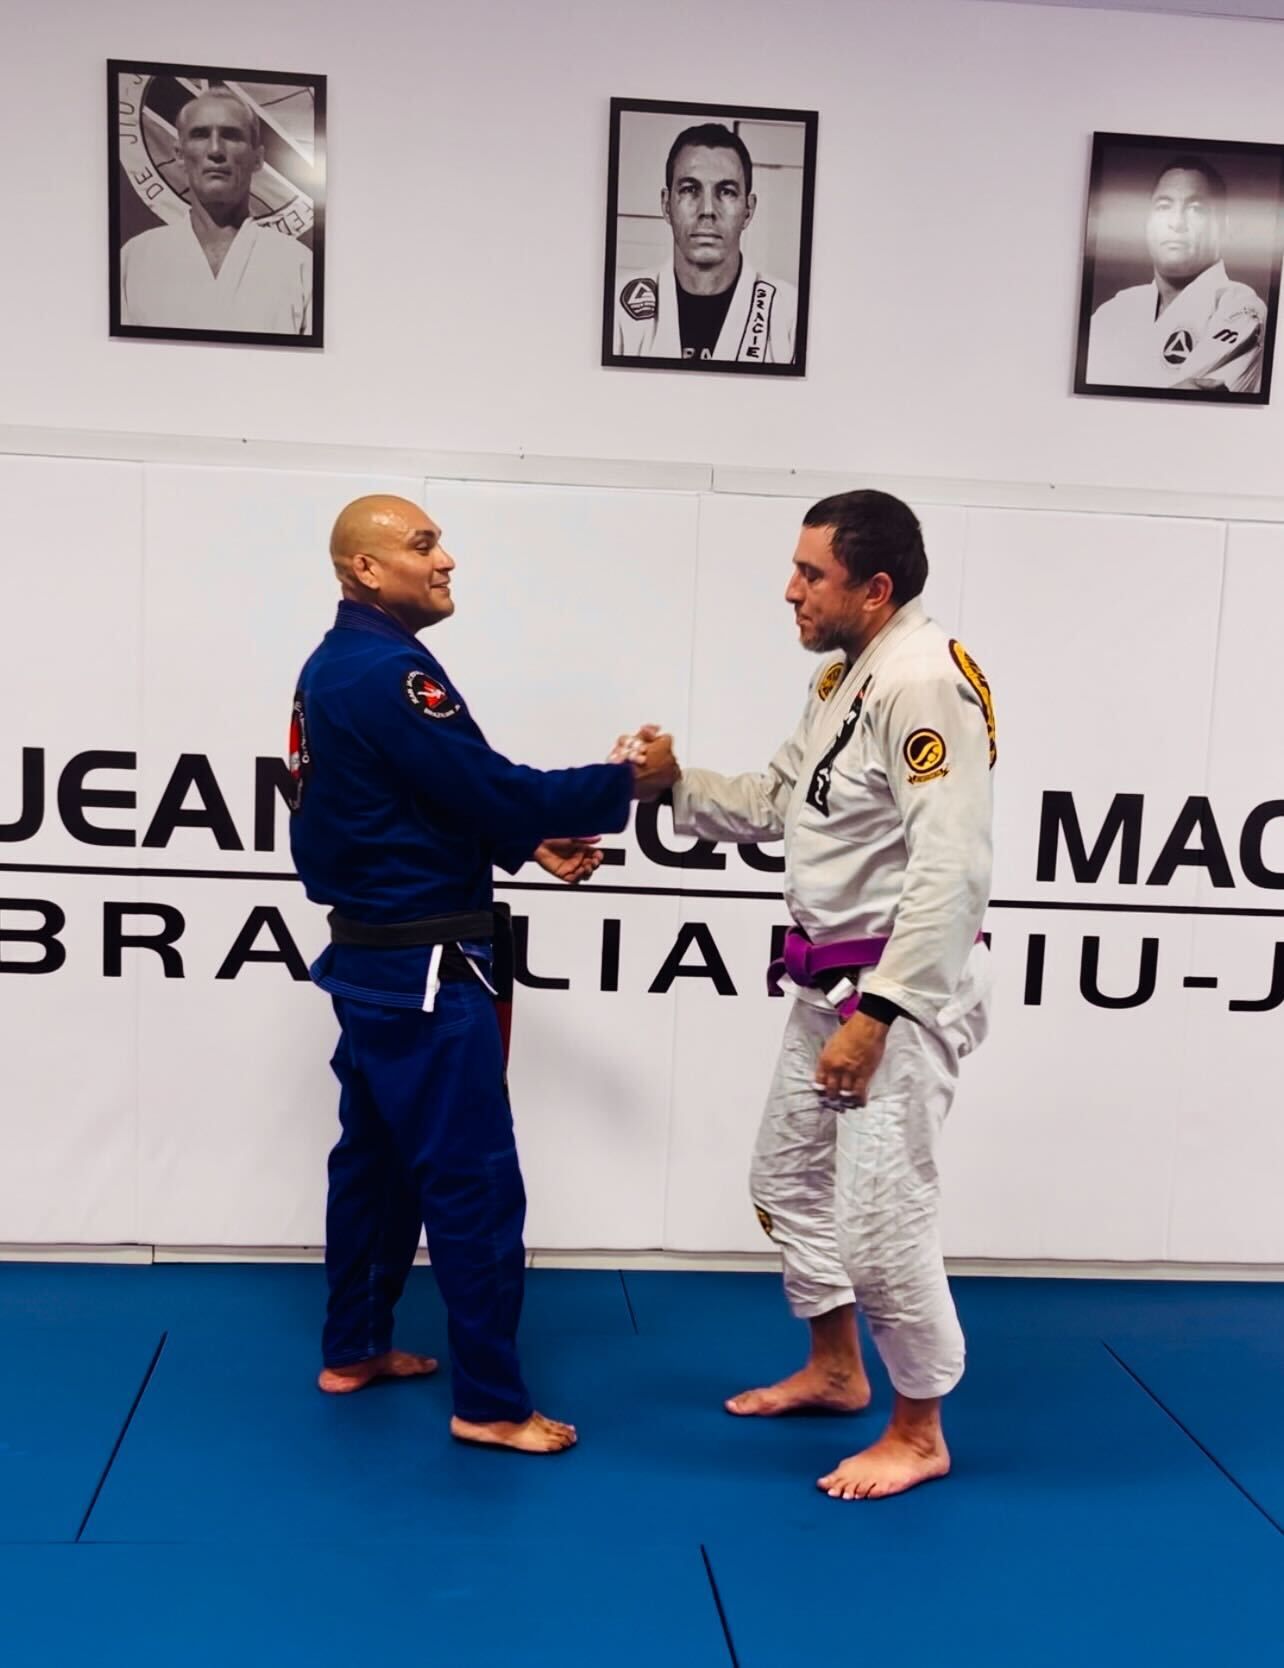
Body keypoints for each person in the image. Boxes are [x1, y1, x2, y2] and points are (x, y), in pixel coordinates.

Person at [623, 490, 995, 1499]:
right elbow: (778, 804)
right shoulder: (845, 677)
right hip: (826, 985)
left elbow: (951, 870)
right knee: (786, 1182)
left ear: (875, 589)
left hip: (896, 1003)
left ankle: (919, 1431)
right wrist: (673, 783)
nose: (789, 590)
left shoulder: (924, 685)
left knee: (884, 1219)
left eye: (811, 575)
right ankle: (837, 1370)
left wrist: (881, 1014)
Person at [288, 493, 676, 1456]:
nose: (446, 560)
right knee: (473, 1185)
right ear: (366, 570)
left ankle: (353, 1348)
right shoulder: (389, 671)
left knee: (373, 1169)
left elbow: (400, 809)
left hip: (371, 960)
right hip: (424, 970)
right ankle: (492, 1404)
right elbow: (483, 784)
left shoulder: (334, 666)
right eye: (423, 545)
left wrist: (525, 840)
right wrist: (623, 782)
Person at [120, 87, 312, 334]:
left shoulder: (299, 265)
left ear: (257, 158)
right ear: (179, 154)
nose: (215, 151)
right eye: (200, 134)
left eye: (231, 136)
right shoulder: (135, 260)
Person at [613, 122, 797, 364]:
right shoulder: (617, 308)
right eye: (690, 189)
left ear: (748, 210)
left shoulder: (790, 314)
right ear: (666, 205)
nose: (707, 210)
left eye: (726, 191)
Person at [1085, 156, 1266, 393]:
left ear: (1224, 227)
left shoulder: (1243, 310)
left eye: (1195, 209)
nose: (1176, 222)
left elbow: (1184, 412)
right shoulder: (1114, 311)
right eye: (1163, 207)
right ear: (1147, 224)